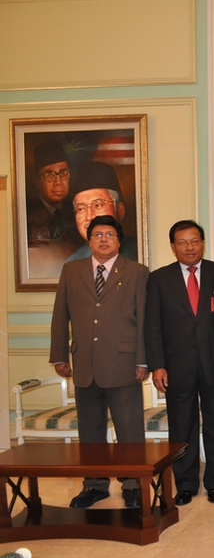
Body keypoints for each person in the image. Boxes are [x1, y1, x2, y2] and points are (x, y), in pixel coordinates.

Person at [49, 215, 149, 509]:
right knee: (90, 431)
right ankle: (94, 485)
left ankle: (132, 484)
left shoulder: (137, 272)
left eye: (109, 234)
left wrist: (143, 359)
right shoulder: (71, 270)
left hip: (125, 363)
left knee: (129, 430)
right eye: (98, 235)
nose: (104, 239)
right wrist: (59, 355)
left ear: (119, 241)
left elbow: (144, 319)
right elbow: (60, 315)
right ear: (89, 240)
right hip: (84, 365)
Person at [145, 220, 214, 506]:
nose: (189, 247)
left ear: (203, 243)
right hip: (176, 366)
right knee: (182, 427)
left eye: (194, 240)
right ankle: (186, 483)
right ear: (172, 247)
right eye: (182, 242)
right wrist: (157, 364)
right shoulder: (159, 279)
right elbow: (152, 326)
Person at [66, 161, 138, 262]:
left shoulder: (139, 253)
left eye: (98, 205)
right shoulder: (71, 265)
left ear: (120, 210)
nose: (89, 216)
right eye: (81, 209)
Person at [26, 140, 80, 251]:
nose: (58, 182)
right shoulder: (27, 214)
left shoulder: (77, 212)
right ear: (37, 181)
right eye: (49, 175)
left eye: (63, 173)